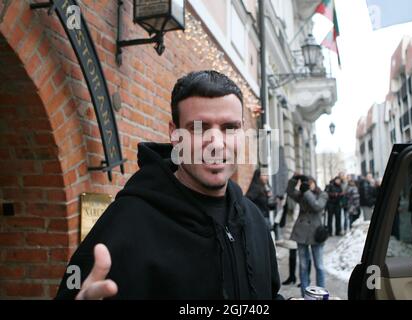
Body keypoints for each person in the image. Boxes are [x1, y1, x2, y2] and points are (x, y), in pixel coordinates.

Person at [55, 70, 282, 300]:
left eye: (229, 128)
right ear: (175, 134)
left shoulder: (252, 218)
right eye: (199, 128)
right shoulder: (128, 221)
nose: (217, 144)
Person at [287, 174, 328, 297]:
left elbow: (317, 206)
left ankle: (321, 293)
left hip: (316, 234)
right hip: (301, 233)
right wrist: (294, 179)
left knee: (319, 265)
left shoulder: (322, 194)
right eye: (307, 183)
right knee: (303, 265)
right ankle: (305, 294)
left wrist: (306, 192)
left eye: (310, 183)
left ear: (315, 183)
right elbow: (289, 191)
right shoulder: (301, 195)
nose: (309, 185)